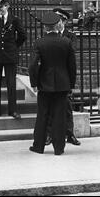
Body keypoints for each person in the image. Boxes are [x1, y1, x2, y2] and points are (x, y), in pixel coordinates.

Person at [29, 11, 77, 156]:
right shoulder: (66, 42)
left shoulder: (39, 42)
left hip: (44, 84)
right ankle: (59, 148)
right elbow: (72, 66)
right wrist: (71, 85)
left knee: (42, 115)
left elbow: (33, 65)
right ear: (57, 25)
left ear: (45, 28)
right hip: (63, 84)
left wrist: (34, 83)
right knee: (60, 116)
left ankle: (38, 146)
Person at [44, 8, 80, 146]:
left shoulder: (70, 36)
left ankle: (69, 134)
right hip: (50, 76)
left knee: (67, 107)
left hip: (64, 76)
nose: (56, 22)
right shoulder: (48, 34)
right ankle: (49, 135)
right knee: (49, 107)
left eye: (58, 19)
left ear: (64, 21)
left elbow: (72, 53)